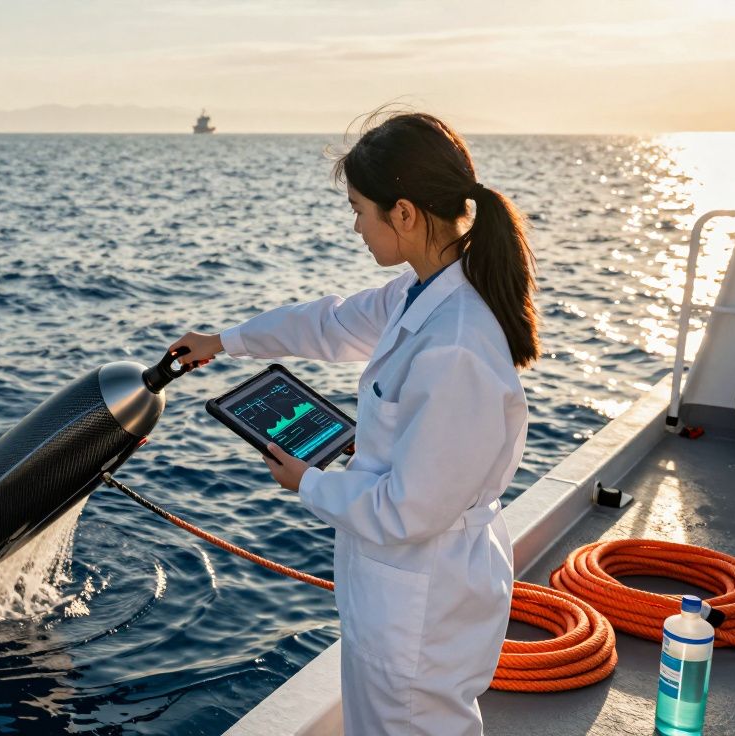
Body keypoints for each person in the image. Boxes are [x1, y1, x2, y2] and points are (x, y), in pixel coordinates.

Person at [170, 111, 538, 735]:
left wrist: (307, 482)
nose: (356, 226)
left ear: (403, 213)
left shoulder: (454, 345)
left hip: (423, 599)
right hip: (399, 592)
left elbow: (409, 509)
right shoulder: (421, 293)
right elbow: (329, 323)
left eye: (359, 209)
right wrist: (224, 342)